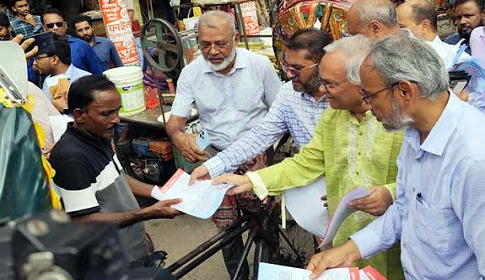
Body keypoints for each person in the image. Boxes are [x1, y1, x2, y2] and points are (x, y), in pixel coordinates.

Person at [213, 35, 405, 279]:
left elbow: (426, 184)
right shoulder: (333, 118)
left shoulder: (397, 120)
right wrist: (252, 180)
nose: (323, 91)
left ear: (361, 83)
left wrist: (390, 193)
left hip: (397, 239)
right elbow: (305, 164)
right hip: (345, 235)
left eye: (331, 84)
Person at [306, 33, 485, 280]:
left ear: (404, 91)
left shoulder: (473, 159)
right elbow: (404, 209)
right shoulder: (414, 133)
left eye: (369, 95)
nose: (367, 106)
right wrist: (349, 250)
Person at [166, 10, 280, 280]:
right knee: (226, 228)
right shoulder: (191, 73)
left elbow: (279, 110)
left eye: (221, 43)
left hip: (257, 154)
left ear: (236, 38)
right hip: (216, 155)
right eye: (205, 44)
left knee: (264, 220)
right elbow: (175, 121)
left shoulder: (259, 65)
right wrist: (179, 136)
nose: (213, 51)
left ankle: (270, 269)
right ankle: (238, 276)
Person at [49, 74, 183, 264]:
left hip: (131, 249)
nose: (116, 120)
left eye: (117, 111)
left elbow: (119, 177)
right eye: (106, 114)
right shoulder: (71, 158)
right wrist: (148, 213)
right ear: (79, 115)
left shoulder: (98, 135)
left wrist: (159, 192)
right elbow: (83, 221)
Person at [189, 28, 331, 181]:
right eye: (287, 67)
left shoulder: (346, 95)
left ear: (322, 64)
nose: (289, 74)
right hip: (310, 181)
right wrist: (211, 167)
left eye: (297, 69)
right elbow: (259, 135)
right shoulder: (288, 95)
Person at [397, 0, 470, 69]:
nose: (396, 32)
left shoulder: (458, 59)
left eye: (401, 27)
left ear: (424, 26)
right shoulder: (398, 58)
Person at [33, 34, 90, 111]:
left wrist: (65, 110)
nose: (35, 63)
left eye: (38, 59)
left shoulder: (85, 79)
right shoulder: (47, 81)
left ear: (54, 60)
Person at [41, 9, 104, 75]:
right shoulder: (40, 49)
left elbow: (98, 72)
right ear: (44, 28)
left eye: (59, 24)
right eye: (50, 26)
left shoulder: (81, 45)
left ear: (65, 25)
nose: (55, 28)